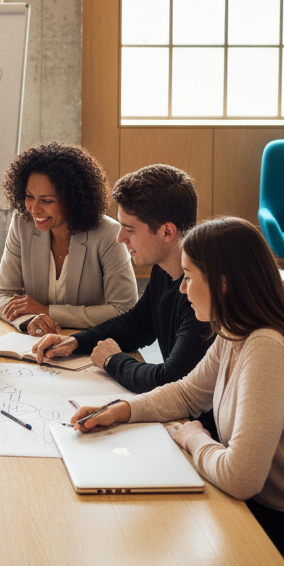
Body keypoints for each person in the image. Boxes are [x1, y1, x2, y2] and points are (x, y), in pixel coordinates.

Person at [71, 216, 284, 555]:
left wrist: (194, 438)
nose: (181, 288)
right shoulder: (235, 328)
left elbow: (241, 478)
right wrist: (120, 411)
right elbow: (187, 392)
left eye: (189, 277)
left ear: (222, 284)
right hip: (267, 505)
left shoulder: (266, 347)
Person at [31, 163, 216, 433]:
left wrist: (112, 360)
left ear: (167, 232)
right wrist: (75, 341)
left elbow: (171, 380)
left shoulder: (201, 292)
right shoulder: (165, 269)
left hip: (205, 431)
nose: (119, 238)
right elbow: (137, 325)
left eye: (129, 229)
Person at [0, 143, 137, 333]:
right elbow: (2, 294)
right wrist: (29, 320)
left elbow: (124, 309)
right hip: (36, 342)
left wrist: (47, 312)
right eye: (29, 196)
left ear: (72, 199)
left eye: (47, 201)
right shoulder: (22, 223)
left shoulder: (108, 234)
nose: (34, 209)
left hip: (91, 343)